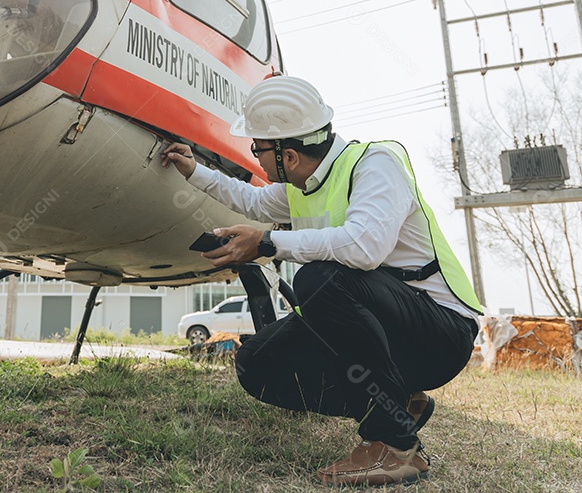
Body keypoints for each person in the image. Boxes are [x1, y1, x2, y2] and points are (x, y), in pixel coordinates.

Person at [161, 75, 481, 487]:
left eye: (257, 148)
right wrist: (194, 171)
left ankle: (392, 442)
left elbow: (364, 248)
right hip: (384, 330)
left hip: (440, 333)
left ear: (288, 155)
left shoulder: (375, 165)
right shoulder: (302, 184)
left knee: (320, 280)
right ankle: (395, 404)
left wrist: (266, 243)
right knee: (257, 363)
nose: (255, 156)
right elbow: (253, 200)